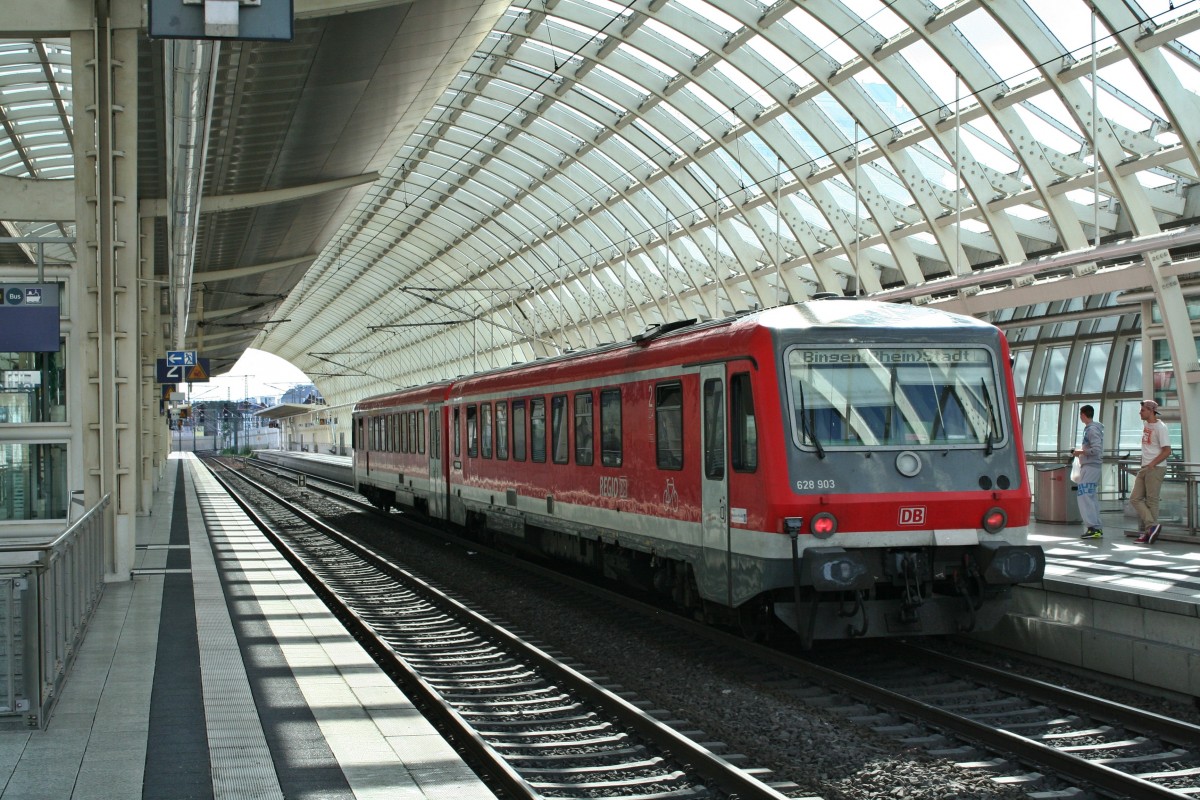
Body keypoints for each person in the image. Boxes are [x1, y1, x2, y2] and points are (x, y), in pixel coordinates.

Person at [1132, 399, 1171, 544]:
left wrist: (1152, 464)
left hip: (1155, 467)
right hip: (1145, 466)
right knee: (1135, 498)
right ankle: (1152, 526)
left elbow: (1167, 451)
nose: (1140, 412)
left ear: (1150, 411)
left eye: (1142, 410)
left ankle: (1149, 532)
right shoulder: (1147, 424)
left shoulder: (1161, 427)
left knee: (1152, 500)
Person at [1074, 405, 1104, 539]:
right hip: (1090, 465)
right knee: (1089, 496)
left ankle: (1093, 527)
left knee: (1085, 496)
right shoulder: (1091, 429)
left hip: (1091, 465)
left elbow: (1096, 449)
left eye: (1080, 414)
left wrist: (1080, 452)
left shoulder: (1091, 430)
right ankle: (1095, 527)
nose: (1080, 417)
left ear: (1083, 414)